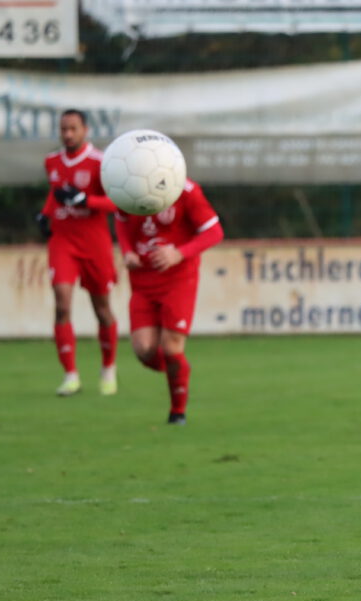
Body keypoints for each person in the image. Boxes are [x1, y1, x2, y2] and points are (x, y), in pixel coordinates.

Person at [115, 177, 224, 425]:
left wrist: (179, 253)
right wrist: (127, 250)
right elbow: (121, 219)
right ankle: (179, 371)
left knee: (171, 347)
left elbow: (215, 232)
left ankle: (177, 412)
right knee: (144, 350)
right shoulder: (127, 182)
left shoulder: (187, 191)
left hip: (178, 279)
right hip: (142, 279)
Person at [37, 109, 120, 396]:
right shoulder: (51, 161)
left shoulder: (100, 162)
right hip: (63, 241)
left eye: (73, 128)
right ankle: (70, 375)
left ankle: (108, 368)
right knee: (62, 304)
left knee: (102, 310)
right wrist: (45, 214)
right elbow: (55, 193)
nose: (68, 134)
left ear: (85, 129)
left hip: (94, 244)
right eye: (64, 129)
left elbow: (116, 202)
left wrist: (87, 200)